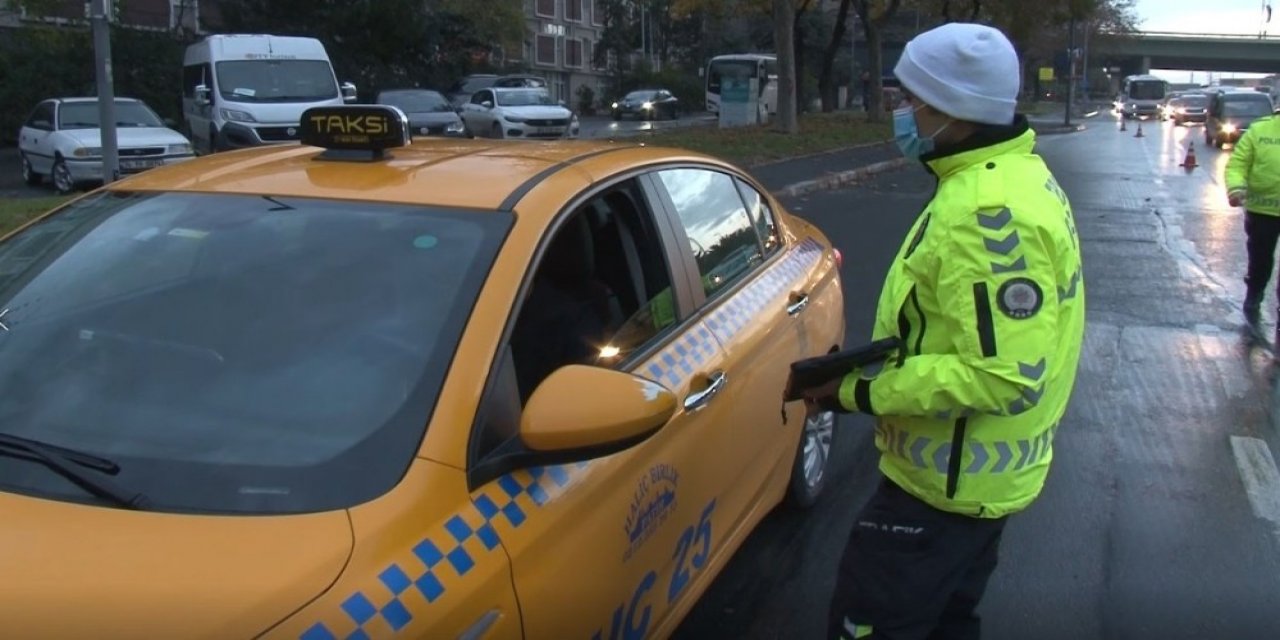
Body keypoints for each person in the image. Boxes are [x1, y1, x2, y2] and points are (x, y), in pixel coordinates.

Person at [800, 22, 1086, 640]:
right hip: (975, 486)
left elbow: (1001, 375)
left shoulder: (987, 213)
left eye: (911, 99)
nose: (902, 112)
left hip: (941, 495)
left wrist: (855, 392)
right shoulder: (1015, 177)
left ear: (951, 109)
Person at [1225, 104, 1280, 323]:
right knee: (1260, 260)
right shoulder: (1260, 131)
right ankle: (1255, 292)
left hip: (1262, 211)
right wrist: (1236, 189)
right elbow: (1238, 164)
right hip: (1262, 211)